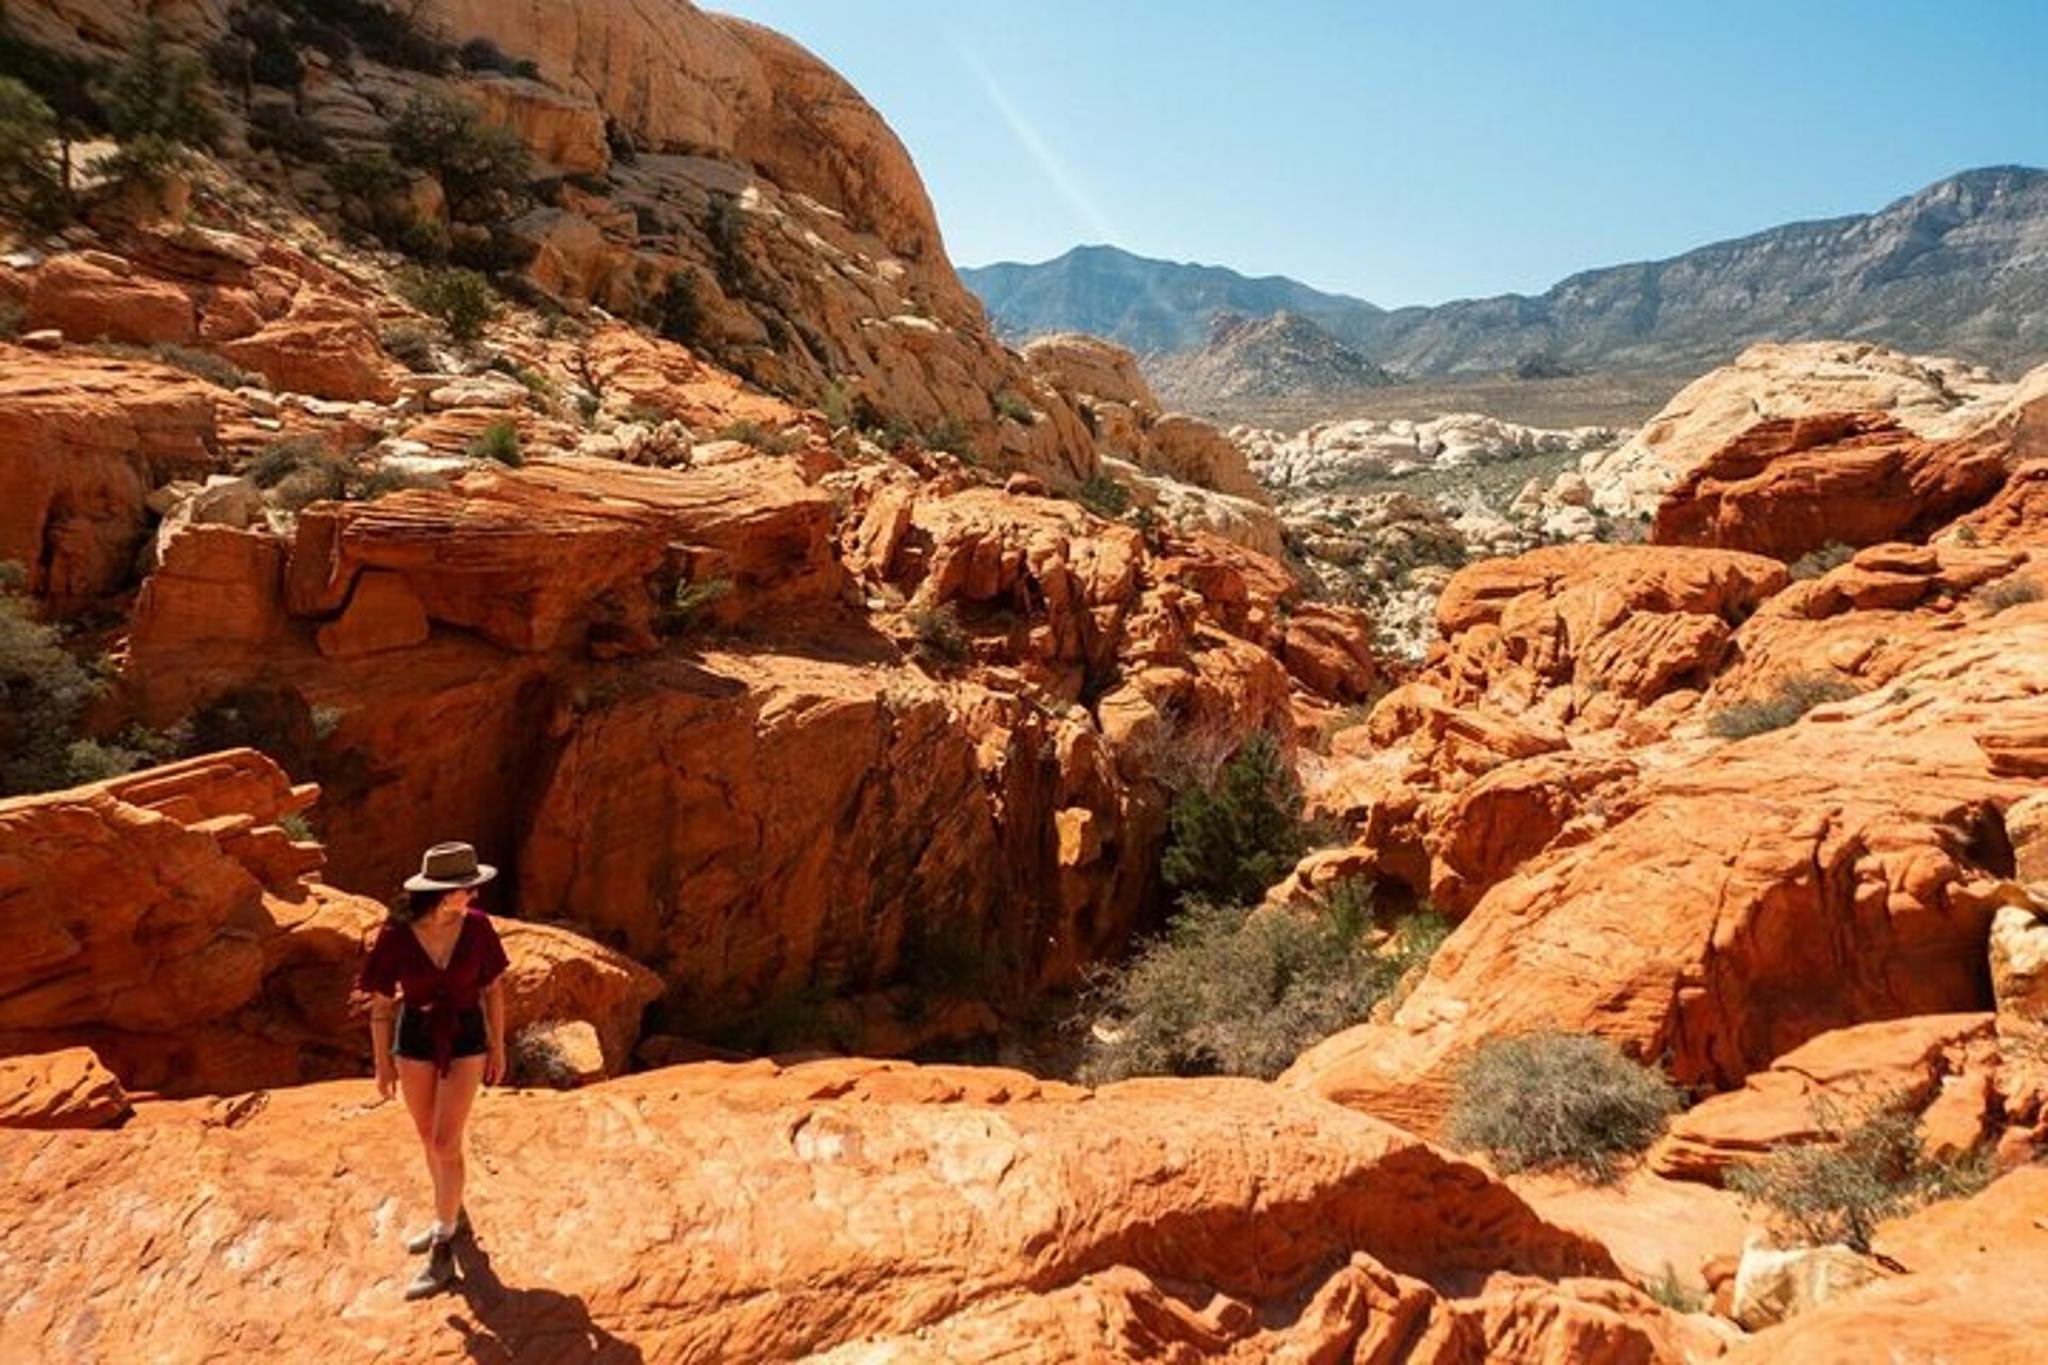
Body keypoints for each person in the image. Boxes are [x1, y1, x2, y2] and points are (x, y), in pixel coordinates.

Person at [358, 841, 511, 1300]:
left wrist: (498, 1045)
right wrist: (382, 1062)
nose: (475, 897)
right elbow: (382, 1003)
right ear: (445, 893)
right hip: (416, 1038)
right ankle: (454, 1212)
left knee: (446, 1141)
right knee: (429, 1138)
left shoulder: (479, 928)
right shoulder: (398, 935)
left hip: (465, 1037)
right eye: (468, 889)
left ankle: (443, 1247)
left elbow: (494, 989)